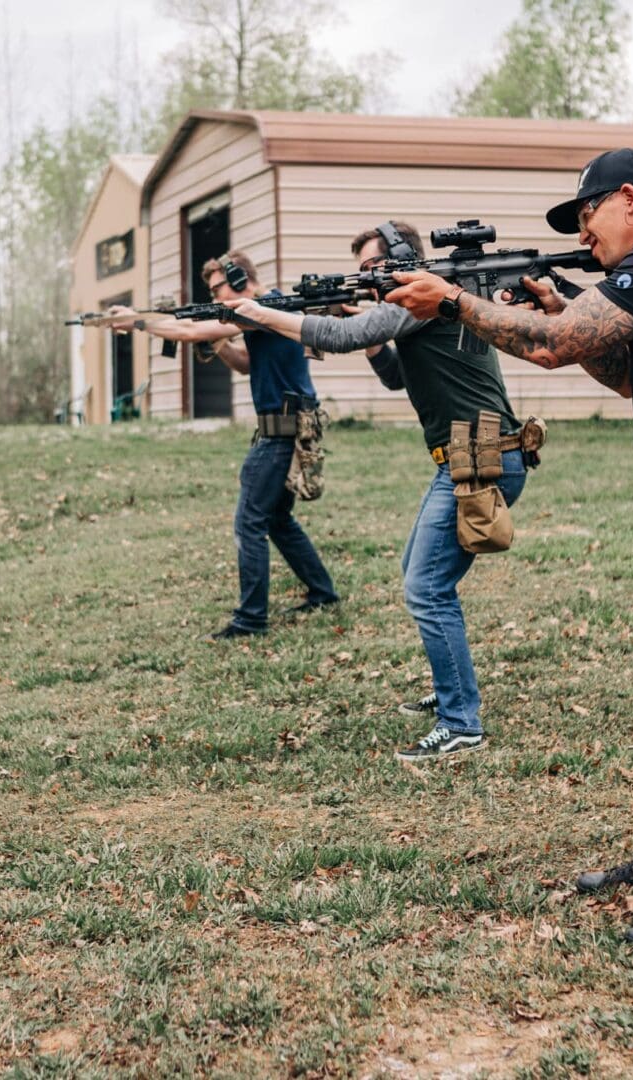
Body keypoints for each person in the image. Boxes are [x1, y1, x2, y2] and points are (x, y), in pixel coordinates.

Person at [386, 149, 633, 945]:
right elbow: (625, 373)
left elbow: (557, 346)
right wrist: (558, 305)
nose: (584, 234)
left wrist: (457, 301)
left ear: (631, 198)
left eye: (587, 215)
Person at [224, 221, 528, 763]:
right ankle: (453, 685)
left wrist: (261, 312)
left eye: (374, 266)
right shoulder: (423, 304)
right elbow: (394, 376)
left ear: (406, 257)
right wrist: (367, 329)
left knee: (426, 588)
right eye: (364, 270)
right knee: (423, 574)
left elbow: (341, 338)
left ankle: (461, 722)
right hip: (468, 456)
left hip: (480, 457)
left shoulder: (423, 295)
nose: (369, 278)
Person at [108, 251, 339, 640]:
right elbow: (247, 362)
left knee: (249, 522)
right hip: (282, 424)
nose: (215, 298)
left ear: (238, 276)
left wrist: (136, 321)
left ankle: (251, 619)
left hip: (281, 429)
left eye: (218, 288)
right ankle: (322, 592)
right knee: (277, 519)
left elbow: (187, 332)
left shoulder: (266, 307)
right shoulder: (267, 311)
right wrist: (219, 344)